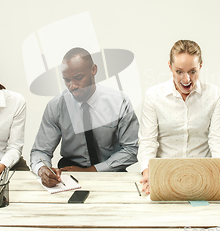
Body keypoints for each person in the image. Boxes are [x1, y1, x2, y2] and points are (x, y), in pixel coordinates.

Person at [138, 40, 220, 195]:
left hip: (205, 177)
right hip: (164, 176)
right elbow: (148, 141)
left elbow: (218, 139)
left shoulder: (214, 95)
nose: (186, 80)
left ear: (200, 66)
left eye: (193, 71)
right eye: (179, 71)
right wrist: (147, 172)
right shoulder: (153, 96)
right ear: (169, 66)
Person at [30, 47, 139, 188]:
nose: (72, 86)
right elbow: (40, 151)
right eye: (67, 80)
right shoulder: (56, 106)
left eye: (78, 78)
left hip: (111, 172)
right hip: (70, 174)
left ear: (94, 70)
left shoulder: (119, 102)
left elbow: (132, 149)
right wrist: (42, 169)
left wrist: (92, 171)